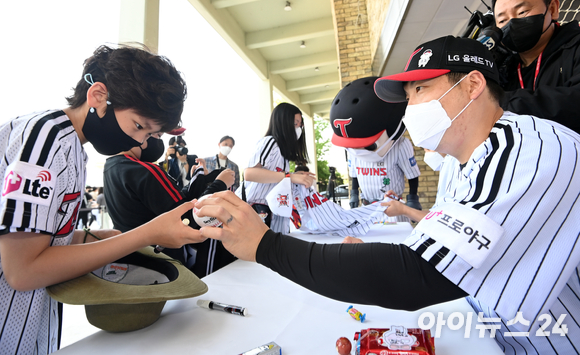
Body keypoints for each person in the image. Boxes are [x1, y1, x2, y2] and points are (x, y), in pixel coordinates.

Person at [197, 36, 580, 355]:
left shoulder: (530, 149)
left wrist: (267, 246)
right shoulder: (455, 161)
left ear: (473, 85)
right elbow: (447, 242)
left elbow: (417, 274)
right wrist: (351, 253)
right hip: (491, 329)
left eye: (420, 89)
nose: (409, 106)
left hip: (550, 343)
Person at [0, 44, 203, 354]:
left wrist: (95, 237)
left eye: (148, 135)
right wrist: (146, 234)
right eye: (139, 126)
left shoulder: (71, 149)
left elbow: (40, 240)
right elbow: (22, 270)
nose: (139, 141)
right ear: (98, 97)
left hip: (32, 325)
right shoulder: (45, 140)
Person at [103, 137, 236, 278]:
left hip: (134, 259)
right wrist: (220, 183)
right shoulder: (145, 171)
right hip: (162, 264)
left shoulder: (112, 167)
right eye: (157, 134)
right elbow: (187, 219)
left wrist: (198, 180)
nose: (155, 140)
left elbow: (171, 200)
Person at [330, 76, 422, 222]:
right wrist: (354, 194)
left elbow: (412, 175)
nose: (358, 149)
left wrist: (413, 199)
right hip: (366, 207)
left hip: (392, 208)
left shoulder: (400, 145)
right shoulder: (351, 152)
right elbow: (354, 174)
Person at [493, 0, 580, 133]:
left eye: (522, 12)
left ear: (552, 9)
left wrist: (501, 102)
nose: (512, 24)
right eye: (502, 21)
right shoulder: (502, 71)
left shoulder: (575, 47)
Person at [235, 103, 316, 234]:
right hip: (252, 213)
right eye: (295, 124)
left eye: (300, 125)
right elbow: (249, 173)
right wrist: (289, 177)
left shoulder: (283, 154)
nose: (299, 129)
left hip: (268, 216)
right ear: (283, 123)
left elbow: (274, 176)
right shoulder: (271, 142)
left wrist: (292, 176)